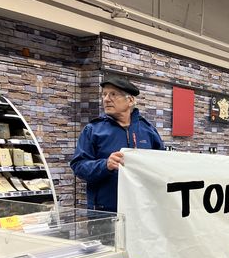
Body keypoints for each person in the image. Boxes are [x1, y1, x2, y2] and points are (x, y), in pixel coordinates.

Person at [70, 76, 165, 212]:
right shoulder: (93, 130)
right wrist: (105, 165)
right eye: (104, 94)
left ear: (130, 100)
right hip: (105, 212)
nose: (106, 99)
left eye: (113, 94)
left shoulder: (148, 130)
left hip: (143, 210)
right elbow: (78, 166)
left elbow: (161, 165)